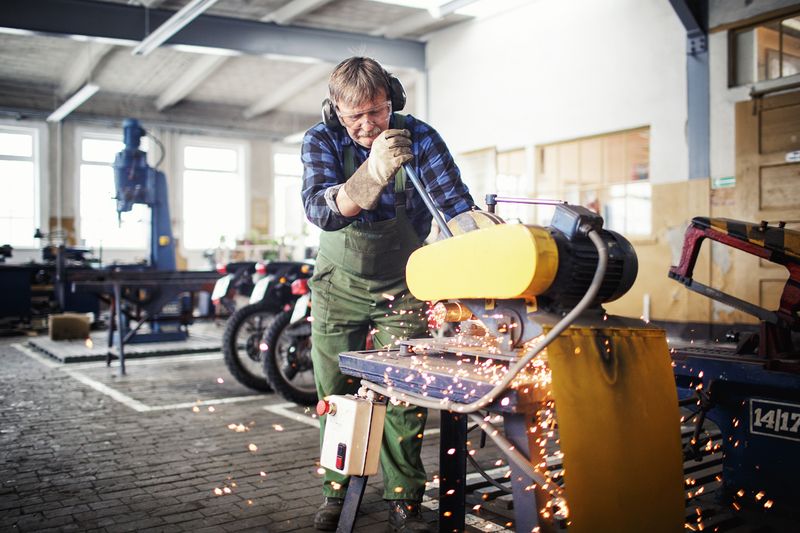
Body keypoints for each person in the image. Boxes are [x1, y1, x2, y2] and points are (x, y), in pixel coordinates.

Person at [301, 56, 475, 532]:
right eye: (354, 116)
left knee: (403, 392)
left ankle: (404, 498)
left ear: (392, 100)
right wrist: (371, 174)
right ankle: (336, 492)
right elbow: (321, 211)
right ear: (334, 111)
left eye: (376, 111)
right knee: (335, 393)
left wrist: (483, 243)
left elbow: (455, 207)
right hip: (338, 286)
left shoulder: (420, 137)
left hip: (403, 285)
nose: (367, 125)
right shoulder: (321, 139)